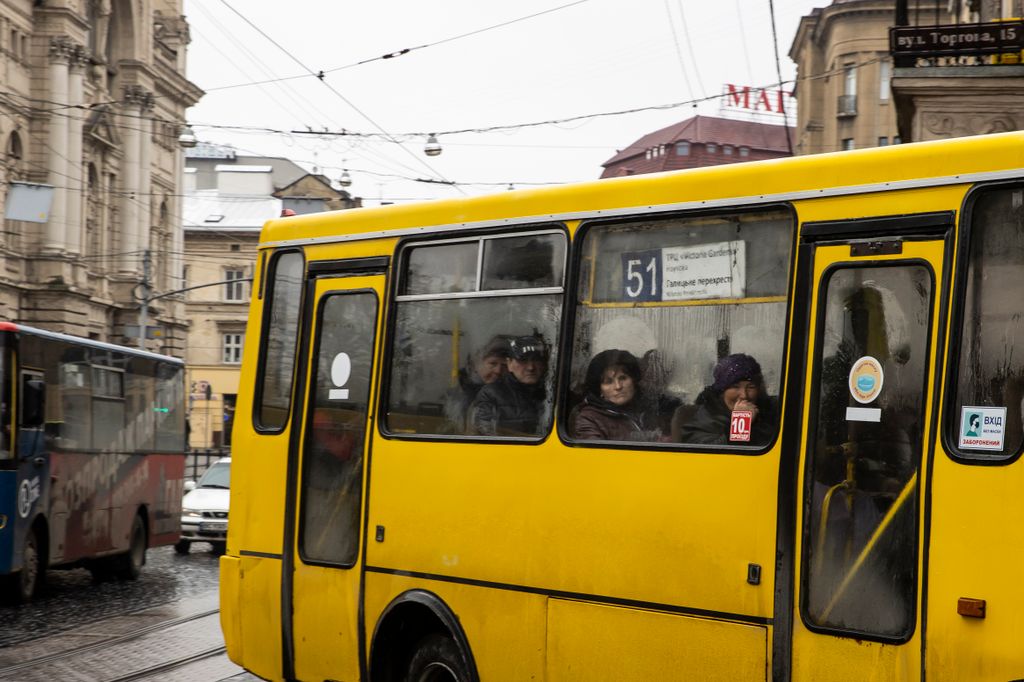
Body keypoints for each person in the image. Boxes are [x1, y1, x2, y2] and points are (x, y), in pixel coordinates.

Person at [677, 353, 776, 445]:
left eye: (751, 387)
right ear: (722, 392)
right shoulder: (703, 421)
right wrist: (741, 421)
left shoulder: (772, 414)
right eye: (735, 386)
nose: (744, 395)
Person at [469, 335, 549, 436]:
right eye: (523, 360)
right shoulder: (491, 394)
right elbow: (484, 434)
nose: (531, 367)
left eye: (536, 360)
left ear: (544, 364)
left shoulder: (555, 393)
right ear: (509, 364)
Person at [572, 349, 659, 441]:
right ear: (599, 389)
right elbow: (595, 453)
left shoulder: (652, 407)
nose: (618, 386)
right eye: (608, 382)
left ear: (633, 380)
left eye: (623, 378)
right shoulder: (588, 418)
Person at [441, 336, 509, 433]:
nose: (498, 371)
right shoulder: (456, 397)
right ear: (476, 364)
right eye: (493, 363)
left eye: (504, 365)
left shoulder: (512, 396)